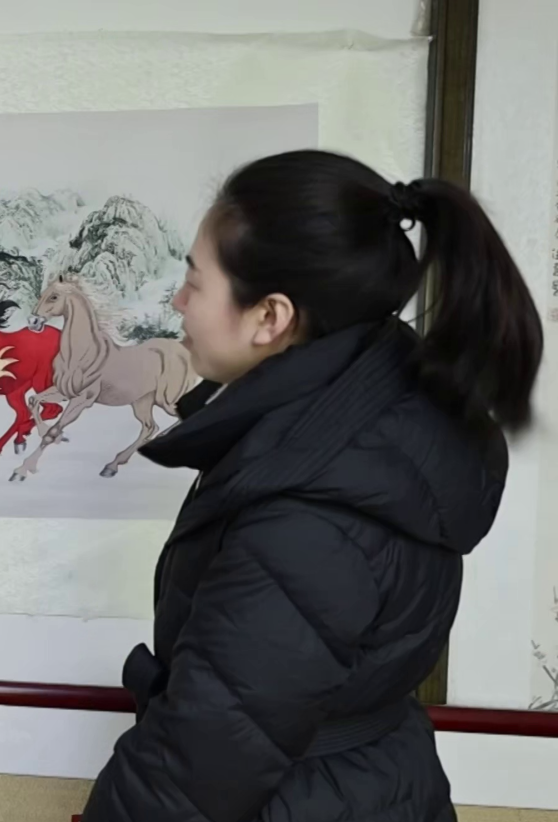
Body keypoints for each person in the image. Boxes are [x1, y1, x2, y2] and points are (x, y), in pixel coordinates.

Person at [79, 149, 541, 822]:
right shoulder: (371, 417)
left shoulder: (307, 507)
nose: (177, 302)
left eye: (194, 282)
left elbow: (199, 765)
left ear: (270, 316)